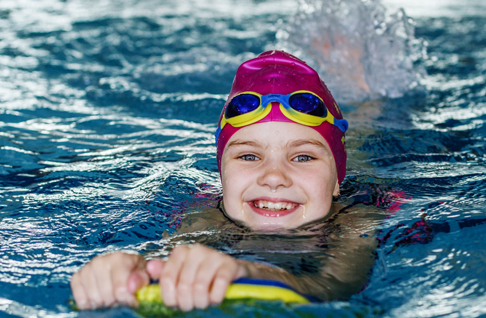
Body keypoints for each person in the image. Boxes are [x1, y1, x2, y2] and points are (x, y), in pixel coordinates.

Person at [70, 50, 383, 311]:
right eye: (248, 156)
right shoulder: (206, 216)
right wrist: (127, 269)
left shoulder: (358, 218)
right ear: (222, 176)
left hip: (372, 175)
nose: (274, 177)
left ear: (335, 182)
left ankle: (370, 97)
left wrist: (246, 272)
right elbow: (167, 260)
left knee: (367, 133)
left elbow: (335, 286)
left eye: (303, 157)